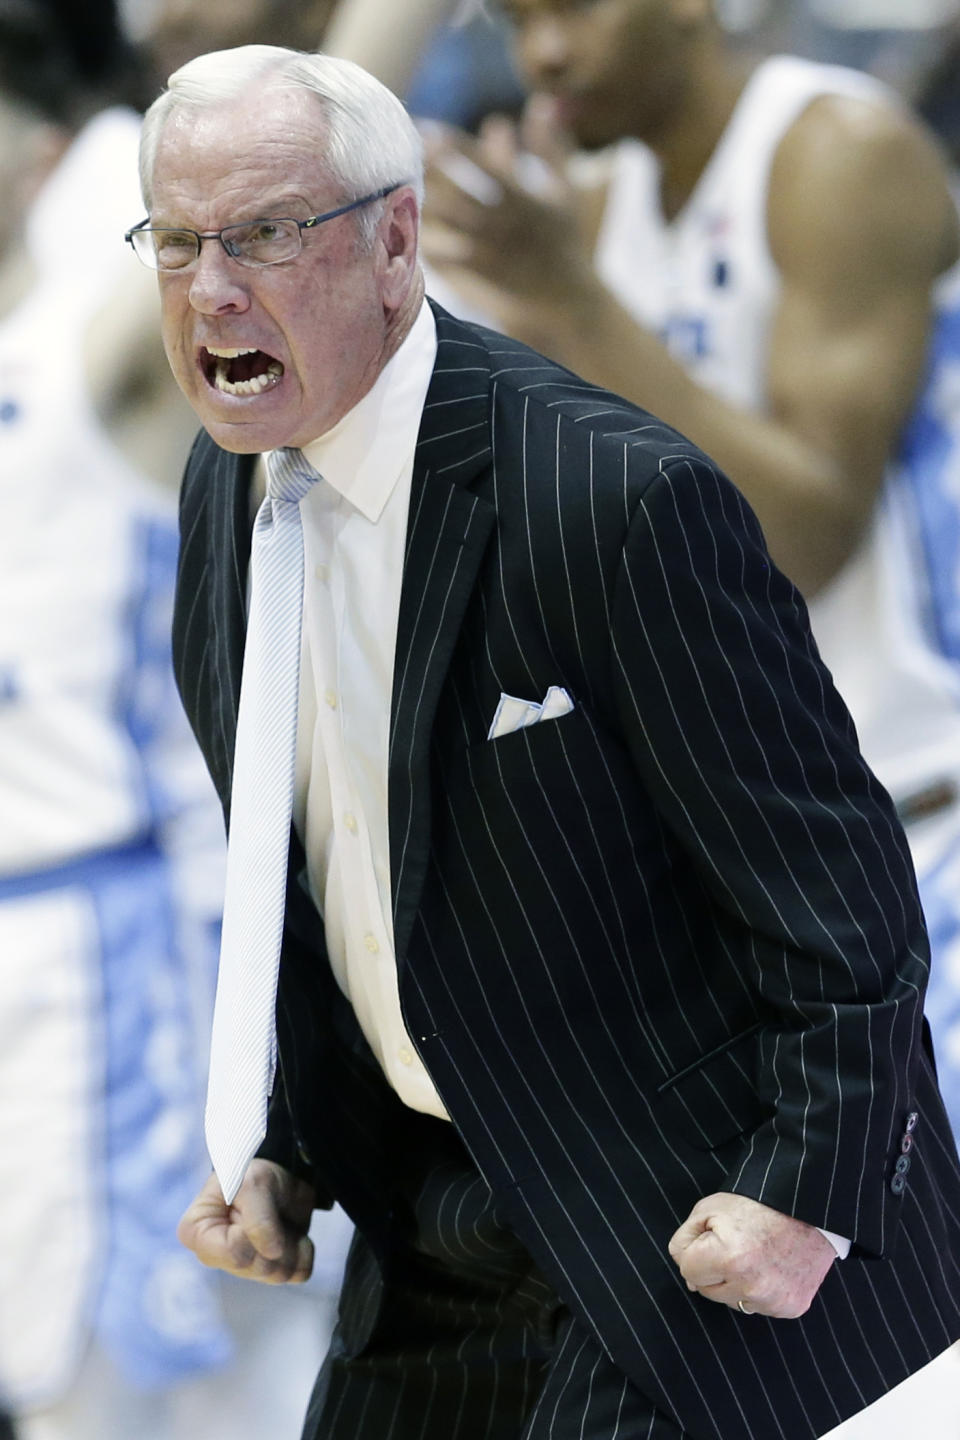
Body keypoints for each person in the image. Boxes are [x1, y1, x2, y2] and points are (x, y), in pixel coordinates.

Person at [133, 42, 960, 1440]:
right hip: (438, 1222)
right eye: (179, 240)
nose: (214, 288)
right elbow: (323, 872)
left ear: (396, 245)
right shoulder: (220, 497)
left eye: (268, 234)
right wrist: (278, 1139)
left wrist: (808, 1194)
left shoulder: (612, 500)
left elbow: (846, 893)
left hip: (678, 1212)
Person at [419, 0, 960, 1137]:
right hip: (776, 861)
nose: (543, 55)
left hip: (928, 810)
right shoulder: (597, 210)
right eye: (516, 21)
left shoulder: (832, 154)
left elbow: (808, 535)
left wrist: (573, 305)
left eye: (571, 9)